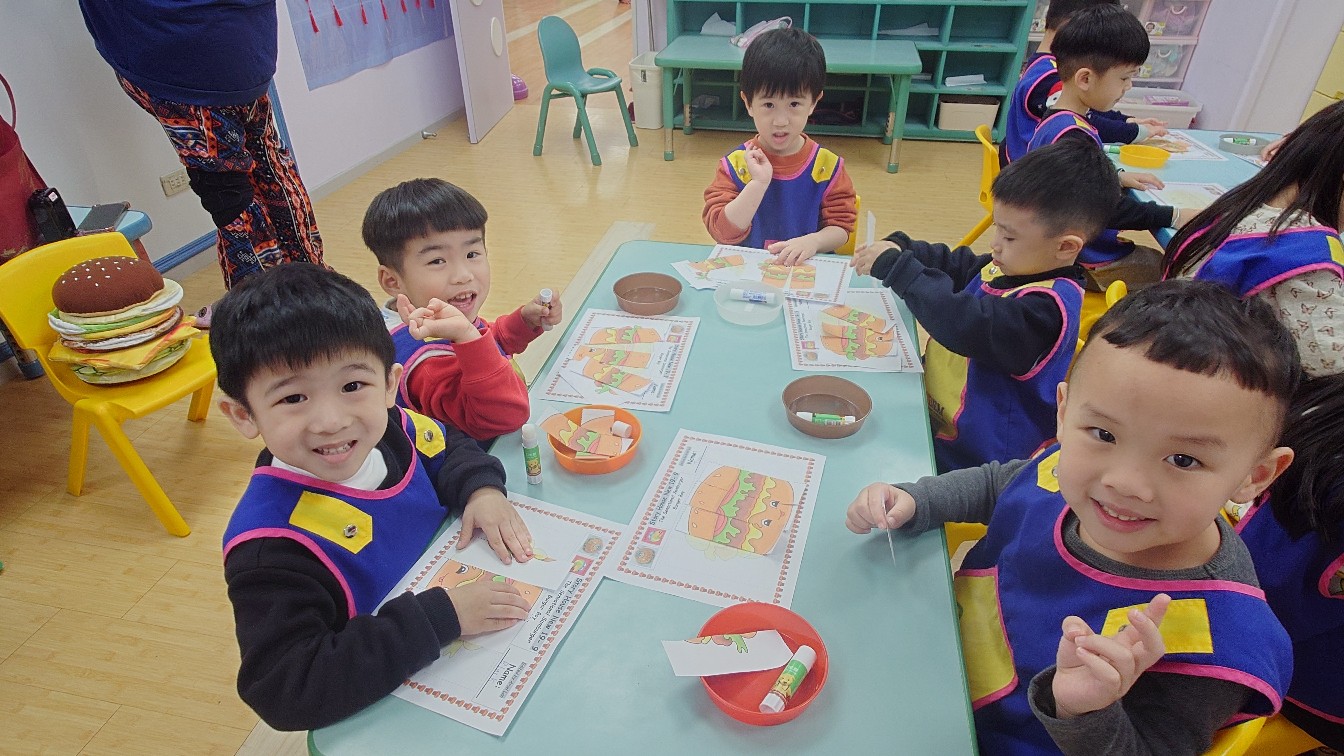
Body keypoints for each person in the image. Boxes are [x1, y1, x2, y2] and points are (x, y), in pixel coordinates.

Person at [846, 280, 1297, 755]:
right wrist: (917, 500)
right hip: (928, 656)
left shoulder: (1216, 638)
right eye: (1103, 434)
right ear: (1063, 413)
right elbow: (1001, 485)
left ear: (1256, 476)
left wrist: (1086, 713)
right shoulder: (1063, 472)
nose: (1124, 482)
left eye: (1183, 460)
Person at [211, 263, 535, 731]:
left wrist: (480, 488)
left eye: (352, 386)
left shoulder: (394, 428)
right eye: (292, 399)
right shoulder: (271, 547)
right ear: (244, 416)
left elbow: (448, 445)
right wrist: (440, 618)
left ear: (388, 385)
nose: (331, 421)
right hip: (400, 710)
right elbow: (285, 689)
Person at [1164, 100, 1344, 748]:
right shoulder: (1313, 253)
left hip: (1175, 400)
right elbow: (1330, 373)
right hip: (1232, 446)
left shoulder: (1233, 209)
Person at [851, 140, 1115, 472]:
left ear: (1065, 247)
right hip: (935, 419)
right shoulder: (1016, 265)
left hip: (977, 461)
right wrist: (904, 247)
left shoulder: (1045, 311)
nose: (995, 245)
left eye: (1009, 237)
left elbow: (965, 324)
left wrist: (899, 269)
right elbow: (957, 264)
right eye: (996, 230)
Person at [77, 0, 325, 295]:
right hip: (247, 44)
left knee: (230, 195)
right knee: (270, 169)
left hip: (182, 56)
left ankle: (270, 309)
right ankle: (317, 291)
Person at [362, 178, 562, 444]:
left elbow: (487, 338)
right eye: (437, 260)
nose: (463, 275)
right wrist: (466, 336)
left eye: (471, 254)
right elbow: (505, 418)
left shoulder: (439, 315)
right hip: (480, 459)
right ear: (392, 281)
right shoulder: (423, 362)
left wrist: (523, 321)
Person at [1024, 4, 1190, 289]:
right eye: (1124, 77)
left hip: (1065, 249)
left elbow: (1067, 184)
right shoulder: (1072, 137)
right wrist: (1174, 215)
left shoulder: (1060, 120)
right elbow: (1103, 210)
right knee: (1176, 273)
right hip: (1077, 263)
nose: (1128, 86)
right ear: (1085, 79)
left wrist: (1115, 176)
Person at [702, 28, 857, 265]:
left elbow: (842, 227)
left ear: (814, 102)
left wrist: (814, 241)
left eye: (794, 104)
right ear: (748, 103)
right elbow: (722, 232)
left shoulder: (827, 166)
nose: (781, 121)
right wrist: (757, 184)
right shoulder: (735, 165)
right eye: (768, 105)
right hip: (748, 276)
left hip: (804, 274)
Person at [1000, 0, 1168, 166]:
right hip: (1023, 167)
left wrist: (1126, 121)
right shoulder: (1052, 83)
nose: (1129, 86)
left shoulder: (1046, 67)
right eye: (1124, 78)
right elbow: (1090, 121)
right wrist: (1135, 131)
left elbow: (1089, 110)